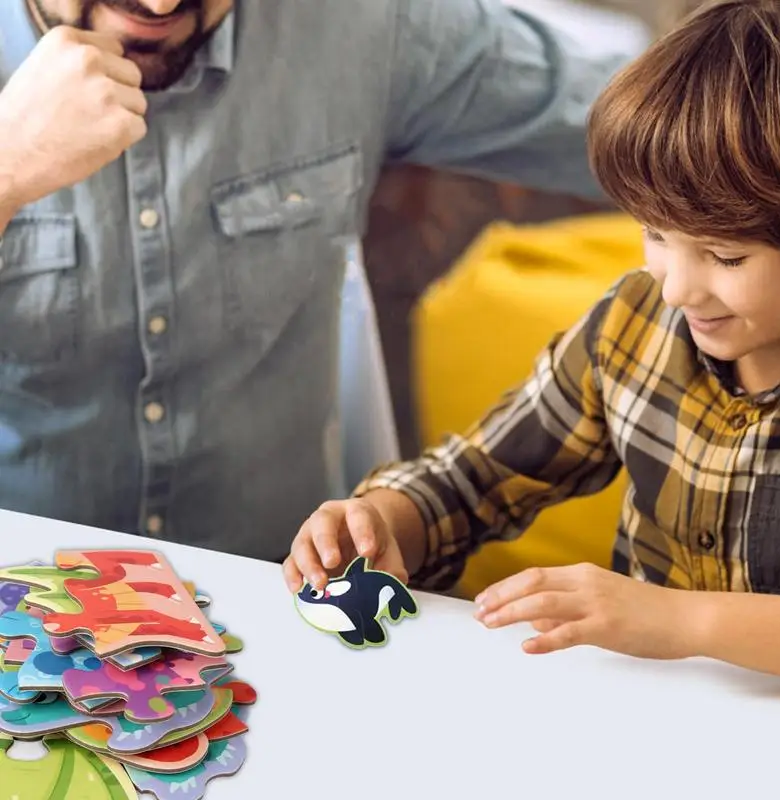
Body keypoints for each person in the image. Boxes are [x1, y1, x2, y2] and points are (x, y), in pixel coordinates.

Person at [0, 0, 638, 561]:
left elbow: (650, 114)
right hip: (21, 605)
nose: (161, 2)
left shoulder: (360, 23)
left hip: (285, 597)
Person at [284, 0, 780, 681]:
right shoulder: (636, 324)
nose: (677, 289)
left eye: (725, 257)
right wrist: (383, 519)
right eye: (656, 235)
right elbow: (476, 480)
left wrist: (677, 619)